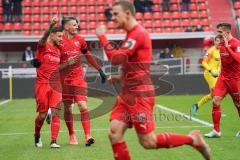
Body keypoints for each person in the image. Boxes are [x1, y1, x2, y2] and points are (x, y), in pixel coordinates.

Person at [96, 1, 211, 160]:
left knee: (148, 142)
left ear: (128, 14)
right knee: (114, 133)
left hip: (139, 95)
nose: (112, 18)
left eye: (116, 14)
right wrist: (120, 76)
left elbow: (116, 59)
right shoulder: (131, 34)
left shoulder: (138, 33)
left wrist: (102, 36)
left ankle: (193, 139)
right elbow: (135, 63)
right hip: (126, 94)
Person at [59, 16, 107, 146]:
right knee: (68, 109)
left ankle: (88, 136)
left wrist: (100, 70)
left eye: (76, 25)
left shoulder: (80, 40)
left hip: (78, 79)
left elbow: (88, 56)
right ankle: (72, 134)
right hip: (64, 81)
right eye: (74, 25)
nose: (76, 27)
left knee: (83, 105)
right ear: (66, 27)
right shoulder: (58, 41)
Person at [204, 23, 240, 138]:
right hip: (223, 78)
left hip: (235, 80)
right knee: (215, 100)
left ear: (227, 32)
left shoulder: (236, 43)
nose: (218, 34)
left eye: (220, 32)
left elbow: (238, 59)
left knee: (238, 104)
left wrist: (228, 47)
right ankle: (216, 130)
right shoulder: (220, 44)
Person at [33, 16, 63, 148]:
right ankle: (37, 134)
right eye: (59, 36)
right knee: (42, 115)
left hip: (56, 85)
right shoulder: (43, 46)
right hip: (42, 85)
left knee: (56, 112)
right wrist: (50, 26)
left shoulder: (58, 50)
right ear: (52, 35)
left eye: (62, 36)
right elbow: (43, 38)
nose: (61, 39)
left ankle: (54, 140)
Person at [192, 36, 221, 116]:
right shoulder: (211, 50)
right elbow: (203, 62)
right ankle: (217, 111)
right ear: (214, 42)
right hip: (209, 74)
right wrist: (211, 70)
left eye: (220, 41)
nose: (219, 42)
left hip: (217, 74)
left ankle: (197, 105)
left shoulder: (222, 50)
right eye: (217, 41)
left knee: (212, 94)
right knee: (217, 93)